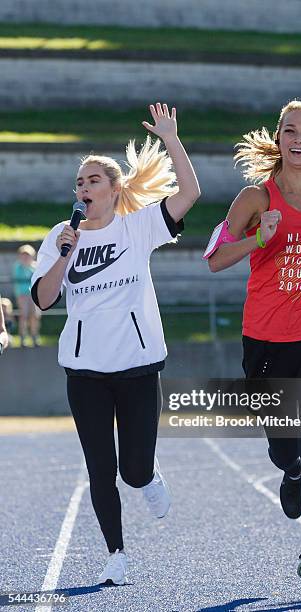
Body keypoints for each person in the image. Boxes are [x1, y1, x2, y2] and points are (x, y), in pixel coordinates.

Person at [31, 103, 200, 586]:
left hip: (138, 366)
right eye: (79, 183)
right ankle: (116, 555)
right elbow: (43, 300)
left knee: (133, 470)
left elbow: (190, 193)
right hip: (84, 371)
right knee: (99, 468)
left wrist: (170, 138)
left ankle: (148, 478)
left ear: (114, 188)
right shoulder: (60, 238)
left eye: (92, 180)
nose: (83, 189)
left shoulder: (139, 226)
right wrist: (65, 254)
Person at [205, 99, 301, 592]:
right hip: (267, 339)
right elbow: (214, 259)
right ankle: (289, 468)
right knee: (283, 447)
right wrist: (257, 241)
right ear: (279, 139)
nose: (299, 138)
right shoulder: (256, 199)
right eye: (290, 130)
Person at [12, 244, 42, 347]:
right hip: (22, 295)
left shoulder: (35, 266)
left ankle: (34, 336)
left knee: (34, 316)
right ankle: (22, 338)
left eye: (27, 255)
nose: (25, 257)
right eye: (23, 255)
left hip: (34, 294)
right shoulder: (18, 266)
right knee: (23, 315)